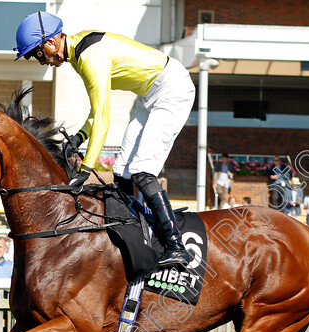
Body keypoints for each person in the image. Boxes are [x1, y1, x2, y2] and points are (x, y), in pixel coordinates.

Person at [15, 12, 193, 268]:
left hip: (171, 88)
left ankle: (176, 246)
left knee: (142, 172)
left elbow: (103, 118)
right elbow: (96, 113)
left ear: (51, 42)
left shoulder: (89, 58)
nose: (40, 61)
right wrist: (80, 137)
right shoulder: (78, 55)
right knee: (121, 172)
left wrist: (86, 169)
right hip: (148, 95)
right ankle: (134, 233)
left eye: (37, 53)